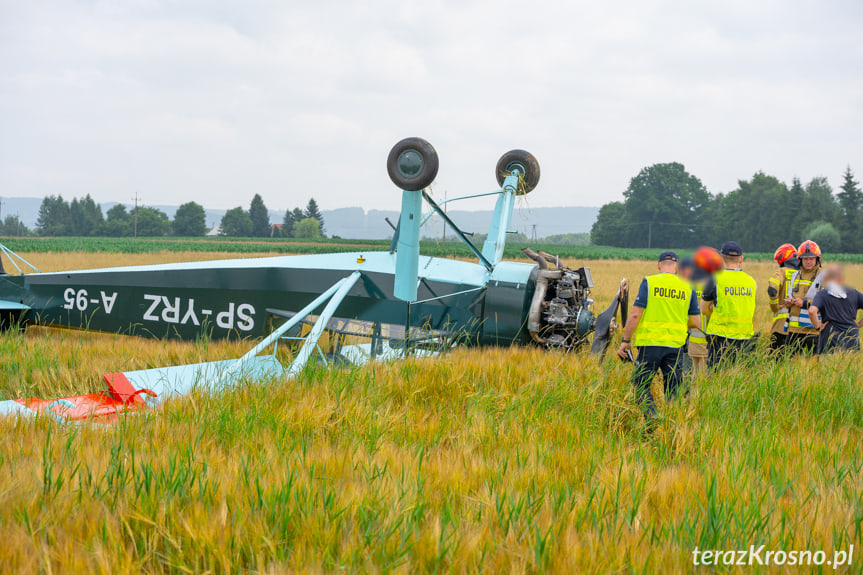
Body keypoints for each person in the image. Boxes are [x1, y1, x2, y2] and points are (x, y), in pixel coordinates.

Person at [617, 251, 701, 421]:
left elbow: (635, 314)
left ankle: (652, 416)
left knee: (640, 384)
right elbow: (696, 322)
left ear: (658, 265)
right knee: (673, 389)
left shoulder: (650, 282)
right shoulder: (687, 287)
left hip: (650, 344)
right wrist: (677, 324)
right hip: (675, 346)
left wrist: (625, 341)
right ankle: (671, 426)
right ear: (676, 267)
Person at [701, 241, 757, 367]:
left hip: (720, 338)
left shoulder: (715, 279)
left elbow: (703, 309)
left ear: (720, 258)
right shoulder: (751, 281)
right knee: (740, 378)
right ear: (741, 259)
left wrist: (713, 310)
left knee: (718, 376)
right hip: (745, 338)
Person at [782, 240, 824, 354]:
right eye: (805, 258)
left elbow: (828, 303)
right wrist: (788, 302)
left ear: (817, 259)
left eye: (811, 258)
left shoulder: (824, 276)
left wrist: (805, 304)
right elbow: (790, 295)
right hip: (794, 331)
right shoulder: (794, 275)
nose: (808, 261)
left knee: (815, 366)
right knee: (791, 366)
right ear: (800, 259)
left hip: (814, 331)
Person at [809, 265, 863, 353]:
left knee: (829, 366)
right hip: (852, 339)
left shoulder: (822, 294)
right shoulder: (854, 293)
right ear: (841, 278)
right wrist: (859, 324)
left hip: (830, 339)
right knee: (850, 366)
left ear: (826, 278)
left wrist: (818, 327)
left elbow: (812, 311)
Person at [678, 256, 709, 377]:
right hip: (707, 339)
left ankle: (685, 395)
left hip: (688, 336)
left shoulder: (689, 284)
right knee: (704, 374)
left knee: (688, 373)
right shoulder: (712, 284)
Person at [767, 243, 800, 351]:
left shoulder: (782, 271)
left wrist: (775, 306)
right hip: (800, 329)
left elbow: (772, 288)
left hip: (781, 327)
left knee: (775, 361)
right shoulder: (803, 274)